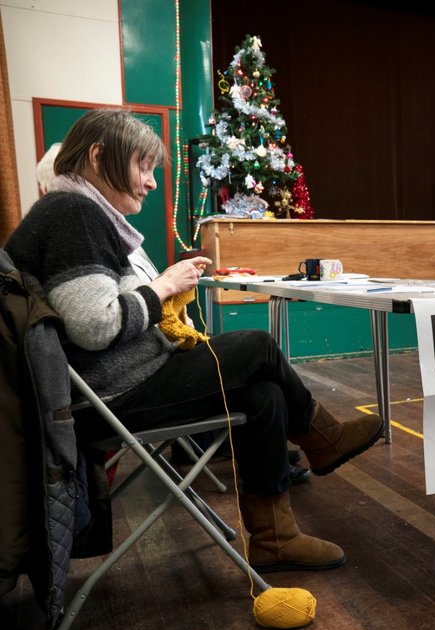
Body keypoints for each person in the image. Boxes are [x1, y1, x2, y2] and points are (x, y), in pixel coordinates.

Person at [4, 108, 383, 573]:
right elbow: (96, 326)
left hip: (114, 387)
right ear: (100, 157)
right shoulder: (72, 214)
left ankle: (275, 539)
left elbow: (97, 311)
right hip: (112, 397)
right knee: (259, 347)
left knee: (263, 392)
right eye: (143, 166)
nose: (151, 182)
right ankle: (323, 438)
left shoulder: (72, 210)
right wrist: (162, 287)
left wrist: (160, 283)